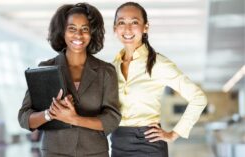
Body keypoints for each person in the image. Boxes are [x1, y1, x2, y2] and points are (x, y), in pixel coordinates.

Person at [18, 3, 121, 157]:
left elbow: (112, 119)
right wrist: (49, 114)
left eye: (84, 29)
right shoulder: (45, 68)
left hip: (95, 153)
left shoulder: (106, 71)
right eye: (72, 28)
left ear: (92, 32)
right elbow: (24, 118)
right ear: (63, 32)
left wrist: (75, 119)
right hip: (55, 152)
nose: (78, 35)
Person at [110, 2, 208, 157]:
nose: (127, 29)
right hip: (118, 142)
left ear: (145, 27)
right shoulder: (112, 67)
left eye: (134, 22)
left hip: (149, 143)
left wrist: (174, 134)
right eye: (121, 22)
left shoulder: (158, 64)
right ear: (115, 28)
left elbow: (198, 98)